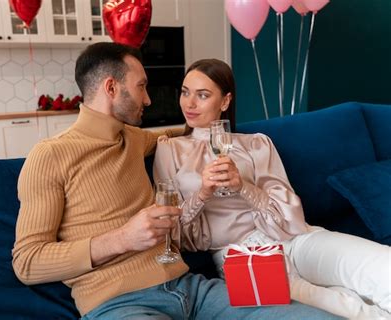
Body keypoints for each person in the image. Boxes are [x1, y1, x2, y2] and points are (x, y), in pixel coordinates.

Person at [11, 43, 340, 319]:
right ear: (111, 88)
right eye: (141, 87)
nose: (149, 100)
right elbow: (27, 262)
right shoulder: (49, 156)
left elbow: (179, 137)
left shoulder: (134, 139)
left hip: (192, 289)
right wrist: (122, 238)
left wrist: (225, 135)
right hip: (120, 304)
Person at [153, 58, 391, 320]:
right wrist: (203, 193)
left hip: (293, 237)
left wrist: (242, 186)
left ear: (224, 101)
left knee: (383, 266)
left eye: (203, 95)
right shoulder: (169, 150)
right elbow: (173, 234)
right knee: (347, 309)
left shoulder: (256, 144)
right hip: (241, 258)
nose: (189, 103)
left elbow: (288, 213)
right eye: (185, 92)